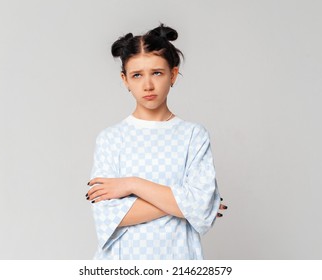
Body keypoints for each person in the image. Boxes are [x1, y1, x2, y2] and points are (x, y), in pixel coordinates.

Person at [86, 24, 227, 260]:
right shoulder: (110, 139)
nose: (148, 85)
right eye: (137, 75)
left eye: (157, 73)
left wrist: (132, 185)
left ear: (173, 74)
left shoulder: (193, 136)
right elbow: (107, 216)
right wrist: (188, 204)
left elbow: (201, 207)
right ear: (125, 80)